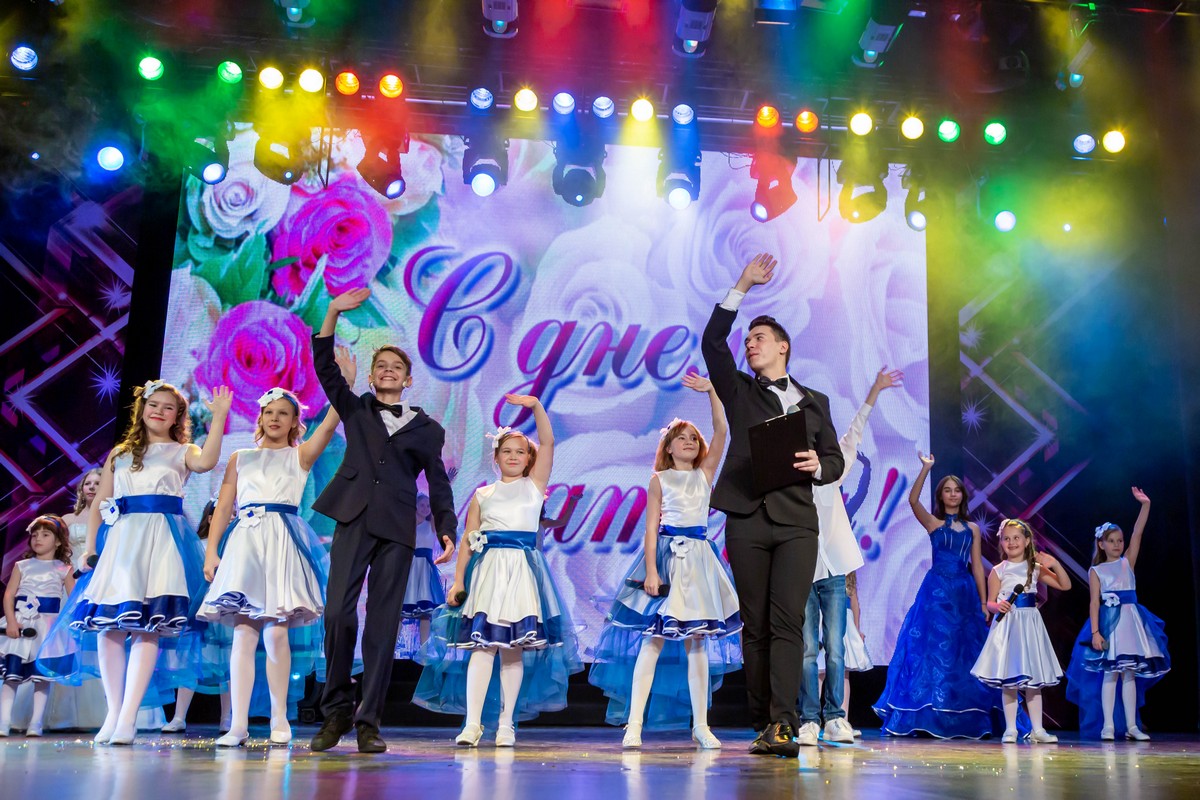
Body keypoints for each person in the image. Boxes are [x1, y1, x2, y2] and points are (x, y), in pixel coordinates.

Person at [701, 253, 845, 757]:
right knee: (756, 624)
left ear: (783, 347)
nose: (750, 344)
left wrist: (819, 465)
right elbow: (712, 343)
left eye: (759, 338)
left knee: (789, 622)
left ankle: (785, 722)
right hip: (747, 518)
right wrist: (742, 284)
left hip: (797, 523)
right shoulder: (740, 390)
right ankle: (763, 718)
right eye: (748, 340)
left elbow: (835, 458)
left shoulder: (815, 401)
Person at [39, 380, 231, 745]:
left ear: (178, 416)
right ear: (142, 409)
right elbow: (101, 502)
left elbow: (207, 462)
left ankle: (128, 716)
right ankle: (114, 712)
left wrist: (219, 416)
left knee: (147, 628)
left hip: (160, 543)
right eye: (153, 404)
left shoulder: (183, 450)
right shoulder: (121, 453)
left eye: (168, 407)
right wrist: (91, 548)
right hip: (122, 543)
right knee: (109, 627)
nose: (159, 411)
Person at [309, 288, 457, 754]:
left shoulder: (428, 429)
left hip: (396, 527)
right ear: (372, 377)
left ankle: (368, 720)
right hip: (353, 516)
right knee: (337, 614)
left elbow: (438, 482)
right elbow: (324, 366)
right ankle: (336, 709)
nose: (388, 371)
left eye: (396, 367)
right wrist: (333, 311)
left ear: (408, 380)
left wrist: (446, 529)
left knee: (383, 625)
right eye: (381, 366)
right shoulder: (355, 409)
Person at [413, 395, 583, 747]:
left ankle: (506, 724)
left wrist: (536, 407)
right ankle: (472, 724)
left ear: (529, 459)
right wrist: (459, 581)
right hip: (488, 573)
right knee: (481, 647)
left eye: (520, 452)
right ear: (496, 457)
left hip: (521, 573)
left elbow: (548, 442)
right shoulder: (483, 494)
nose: (513, 456)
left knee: (512, 649)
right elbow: (468, 540)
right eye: (507, 451)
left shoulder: (534, 487)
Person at [589, 373, 741, 750]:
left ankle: (701, 725)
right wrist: (653, 571)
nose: (689, 441)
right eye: (682, 437)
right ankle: (634, 723)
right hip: (667, 559)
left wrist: (713, 391)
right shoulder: (659, 479)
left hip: (699, 561)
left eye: (694, 438)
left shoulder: (704, 474)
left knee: (698, 643)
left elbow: (722, 430)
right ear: (669, 447)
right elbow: (650, 529)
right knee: (652, 641)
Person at [199, 380, 344, 747]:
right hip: (246, 544)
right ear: (260, 417)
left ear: (295, 421)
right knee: (243, 633)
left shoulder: (300, 456)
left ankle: (279, 717)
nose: (275, 418)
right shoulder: (240, 458)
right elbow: (224, 507)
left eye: (283, 413)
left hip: (281, 542)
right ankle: (238, 724)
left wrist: (342, 383)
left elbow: (330, 424)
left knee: (276, 631)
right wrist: (212, 550)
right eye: (269, 412)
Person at [872, 454, 1009, 738]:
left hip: (963, 594)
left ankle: (966, 718)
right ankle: (930, 714)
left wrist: (983, 602)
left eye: (957, 490)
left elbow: (977, 566)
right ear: (941, 495)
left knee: (964, 654)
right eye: (947, 490)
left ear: (963, 496)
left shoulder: (972, 529)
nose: (953, 494)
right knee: (933, 652)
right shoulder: (933, 523)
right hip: (935, 593)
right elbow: (912, 501)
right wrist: (926, 468)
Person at [799, 366, 901, 746]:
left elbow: (853, 432)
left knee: (836, 648)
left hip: (834, 568)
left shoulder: (833, 470)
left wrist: (875, 390)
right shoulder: (787, 477)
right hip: (802, 569)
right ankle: (808, 719)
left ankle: (835, 717)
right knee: (807, 651)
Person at [1066, 488, 1168, 740]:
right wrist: (1095, 632)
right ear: (1101, 544)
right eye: (1111, 541)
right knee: (1110, 674)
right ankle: (1108, 725)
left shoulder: (1127, 562)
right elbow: (1094, 603)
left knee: (1129, 673)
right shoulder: (1097, 570)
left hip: (1131, 623)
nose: (1117, 544)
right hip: (1109, 625)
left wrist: (1145, 505)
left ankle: (1132, 726)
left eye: (1119, 540)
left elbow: (1138, 533)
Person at [971, 519, 1070, 743]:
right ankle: (1010, 729)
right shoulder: (998, 570)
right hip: (1008, 627)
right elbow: (990, 602)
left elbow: (1065, 585)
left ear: (1026, 541)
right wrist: (997, 606)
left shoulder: (1034, 568)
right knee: (1010, 680)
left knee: (1033, 681)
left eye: (1016, 538)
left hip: (1030, 627)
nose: (1011, 542)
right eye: (1006, 538)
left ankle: (1038, 730)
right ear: (1001, 543)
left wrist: (1054, 563)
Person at [1, 515, 73, 737]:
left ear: (58, 541)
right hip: (21, 623)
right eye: (34, 535)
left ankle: (36, 723)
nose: (38, 539)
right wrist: (11, 621)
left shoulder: (64, 568)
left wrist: (65, 625)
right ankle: (3, 722)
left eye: (45, 535)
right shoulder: (22, 566)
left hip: (47, 628)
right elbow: (9, 595)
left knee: (41, 677)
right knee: (11, 676)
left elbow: (73, 599)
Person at [395, 494, 448, 660]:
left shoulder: (430, 525)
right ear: (415, 506)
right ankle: (391, 649)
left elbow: (439, 507)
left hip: (425, 570)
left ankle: (423, 651)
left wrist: (447, 484)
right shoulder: (408, 525)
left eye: (428, 505)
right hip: (410, 568)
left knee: (426, 613)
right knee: (400, 611)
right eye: (422, 505)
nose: (425, 508)